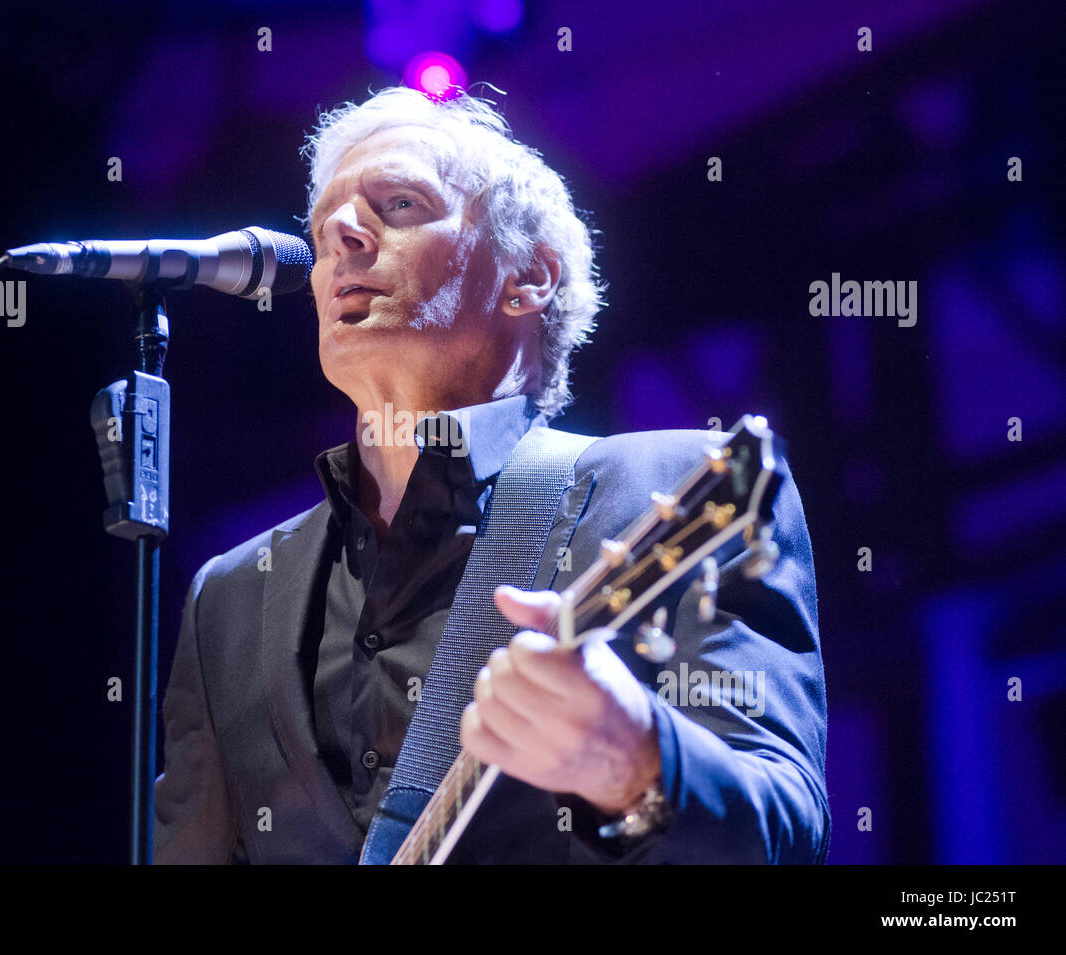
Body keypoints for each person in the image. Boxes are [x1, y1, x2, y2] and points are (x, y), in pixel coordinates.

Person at [153, 86, 829, 864]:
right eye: (323, 225)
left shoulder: (668, 486)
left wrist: (639, 759)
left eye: (400, 202)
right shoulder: (230, 596)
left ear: (528, 277)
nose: (340, 234)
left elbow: (784, 832)